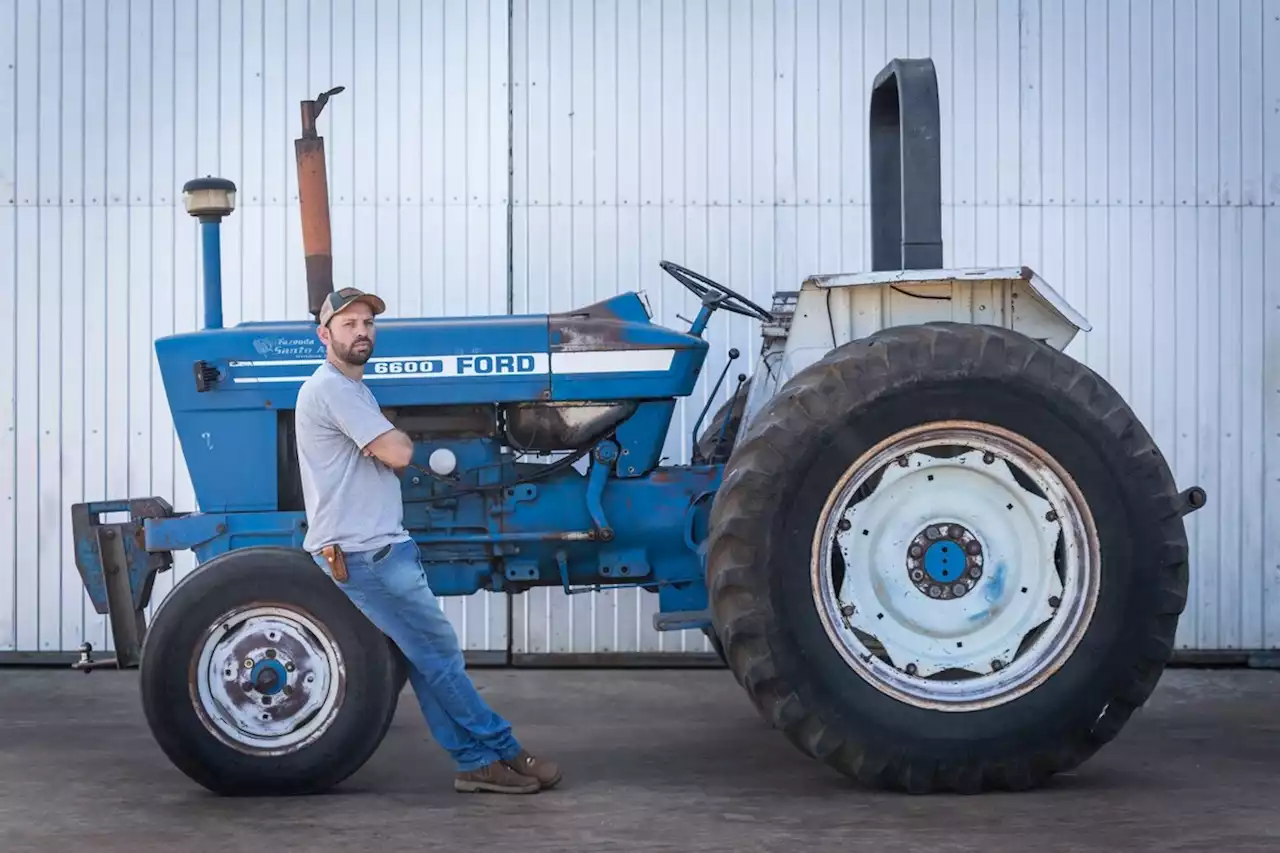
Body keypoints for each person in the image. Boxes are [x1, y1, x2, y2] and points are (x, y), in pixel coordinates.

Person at [293, 286, 561, 795]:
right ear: (324, 335)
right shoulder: (332, 389)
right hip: (365, 552)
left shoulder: (353, 389)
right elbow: (396, 452)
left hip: (378, 547)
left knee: (427, 659)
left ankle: (477, 762)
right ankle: (505, 750)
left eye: (368, 323)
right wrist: (400, 440)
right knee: (439, 655)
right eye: (349, 324)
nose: (362, 331)